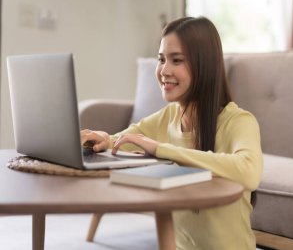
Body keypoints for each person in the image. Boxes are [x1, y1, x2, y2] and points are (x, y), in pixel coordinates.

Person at [81, 16, 263, 250]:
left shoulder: (238, 121)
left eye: (176, 60)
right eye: (161, 59)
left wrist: (160, 148)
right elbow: (123, 140)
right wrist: (103, 140)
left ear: (203, 65)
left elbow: (249, 172)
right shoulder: (168, 116)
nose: (164, 70)